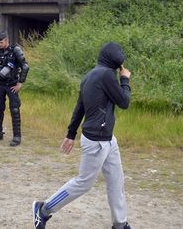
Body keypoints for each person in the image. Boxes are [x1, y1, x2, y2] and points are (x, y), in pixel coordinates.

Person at [32, 42, 132, 229]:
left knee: (116, 181)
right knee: (83, 183)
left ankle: (120, 223)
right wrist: (125, 79)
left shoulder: (90, 76)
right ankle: (43, 209)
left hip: (108, 139)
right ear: (115, 63)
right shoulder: (106, 75)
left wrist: (71, 134)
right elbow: (124, 102)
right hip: (96, 141)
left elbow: (80, 107)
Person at [0, 31, 29, 147]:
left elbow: (25, 66)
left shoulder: (15, 50)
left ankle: (17, 136)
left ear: (7, 40)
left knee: (14, 109)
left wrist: (20, 83)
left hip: (11, 84)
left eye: (1, 42)